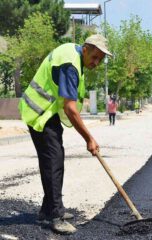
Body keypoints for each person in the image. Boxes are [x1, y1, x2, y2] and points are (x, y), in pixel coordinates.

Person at [18, 34, 112, 235]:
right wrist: (89, 139)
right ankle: (55, 215)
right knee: (53, 160)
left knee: (55, 159)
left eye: (100, 60)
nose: (96, 63)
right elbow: (70, 108)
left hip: (48, 112)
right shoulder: (70, 65)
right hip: (40, 112)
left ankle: (48, 208)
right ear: (85, 48)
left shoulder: (73, 53)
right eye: (94, 57)